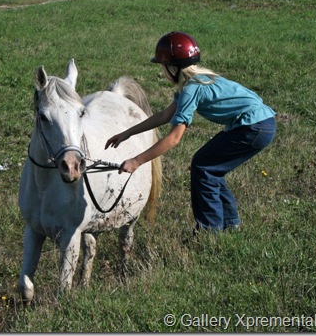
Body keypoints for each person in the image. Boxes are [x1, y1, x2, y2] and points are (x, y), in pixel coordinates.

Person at [105, 31, 276, 233]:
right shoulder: (196, 81)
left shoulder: (191, 89)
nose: (162, 73)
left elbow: (174, 138)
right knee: (211, 167)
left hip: (253, 127)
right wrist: (128, 133)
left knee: (204, 167)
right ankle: (230, 224)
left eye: (163, 67)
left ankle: (209, 230)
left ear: (172, 68)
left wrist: (137, 161)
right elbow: (165, 115)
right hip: (260, 124)